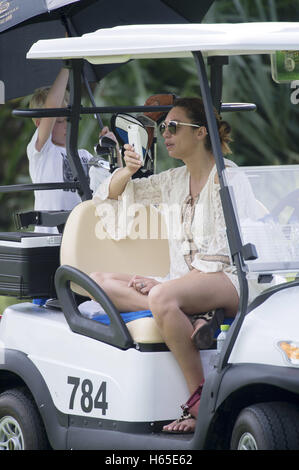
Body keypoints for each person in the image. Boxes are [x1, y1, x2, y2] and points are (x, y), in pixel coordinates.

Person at [91, 97, 260, 433]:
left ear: (200, 133)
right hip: (186, 281)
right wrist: (127, 170)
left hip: (230, 277)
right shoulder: (173, 180)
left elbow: (226, 252)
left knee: (161, 298)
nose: (164, 133)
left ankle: (199, 401)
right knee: (98, 282)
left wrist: (167, 287)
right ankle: (193, 316)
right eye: (162, 127)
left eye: (172, 127)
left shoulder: (230, 179)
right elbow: (111, 195)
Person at [27, 67, 119, 233]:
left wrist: (113, 150)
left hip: (81, 236)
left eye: (69, 120)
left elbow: (113, 179)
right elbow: (51, 108)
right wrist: (68, 66)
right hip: (50, 238)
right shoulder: (42, 151)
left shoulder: (84, 155)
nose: (67, 126)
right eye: (60, 121)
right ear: (40, 124)